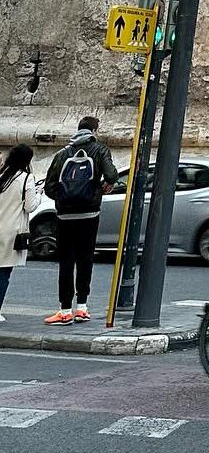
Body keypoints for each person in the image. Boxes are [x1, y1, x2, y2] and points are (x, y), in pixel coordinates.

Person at [42, 116, 119, 324]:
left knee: (66, 261)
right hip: (89, 213)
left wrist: (64, 199)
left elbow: (49, 186)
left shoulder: (62, 154)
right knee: (85, 259)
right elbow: (112, 175)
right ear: (94, 131)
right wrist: (101, 188)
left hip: (65, 215)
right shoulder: (100, 150)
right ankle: (82, 307)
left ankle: (65, 310)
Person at [0, 145, 40, 322]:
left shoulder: (2, 175)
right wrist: (39, 193)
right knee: (3, 274)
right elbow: (30, 206)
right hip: (11, 232)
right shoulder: (26, 178)